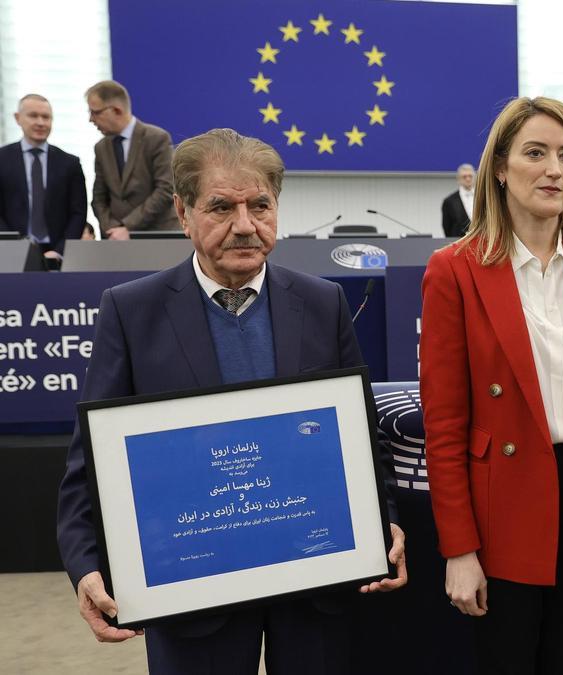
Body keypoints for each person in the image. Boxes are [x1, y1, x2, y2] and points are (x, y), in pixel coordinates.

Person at [56, 128, 406, 673]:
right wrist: (85, 567)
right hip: (191, 593)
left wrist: (382, 523)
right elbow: (90, 464)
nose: (245, 225)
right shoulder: (131, 312)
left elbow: (358, 437)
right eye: (221, 207)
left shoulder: (323, 302)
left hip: (314, 585)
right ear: (183, 212)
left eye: (260, 205)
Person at [418, 97, 563, 674]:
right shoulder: (454, 269)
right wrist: (459, 550)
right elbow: (444, 426)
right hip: (502, 500)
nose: (554, 169)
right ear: (498, 168)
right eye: (535, 153)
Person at [86, 80, 179, 238]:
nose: (91, 119)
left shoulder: (156, 138)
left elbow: (165, 190)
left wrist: (128, 227)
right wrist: (112, 228)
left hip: (157, 237)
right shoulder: (101, 147)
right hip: (115, 240)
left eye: (95, 112)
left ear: (116, 110)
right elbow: (99, 197)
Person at [0, 94, 86, 258]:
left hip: (58, 253)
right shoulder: (2, 159)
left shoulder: (70, 163)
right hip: (10, 253)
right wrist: (12, 247)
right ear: (18, 118)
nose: (40, 122)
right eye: (33, 116)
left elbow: (78, 213)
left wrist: (60, 251)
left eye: (46, 117)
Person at [441, 163, 475, 238]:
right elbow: (447, 228)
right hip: (458, 243)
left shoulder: (483, 198)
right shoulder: (449, 201)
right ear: (458, 179)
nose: (468, 179)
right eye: (464, 177)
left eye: (470, 176)